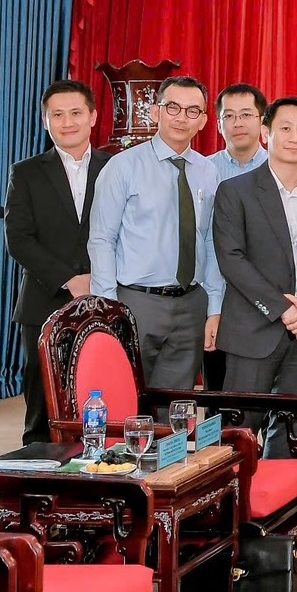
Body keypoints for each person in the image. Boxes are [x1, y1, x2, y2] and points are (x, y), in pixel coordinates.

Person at [212, 96, 297, 458]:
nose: (294, 137)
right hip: (252, 332)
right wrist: (284, 309)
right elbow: (232, 260)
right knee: (237, 436)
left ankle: (284, 495)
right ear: (266, 133)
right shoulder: (235, 191)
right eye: (285, 128)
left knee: (292, 434)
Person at [88, 75, 223, 389]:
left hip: (191, 304)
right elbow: (102, 239)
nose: (181, 117)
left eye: (192, 111)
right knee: (124, 395)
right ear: (155, 111)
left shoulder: (208, 171)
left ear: (203, 121)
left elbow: (210, 240)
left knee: (176, 403)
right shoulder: (123, 166)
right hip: (136, 302)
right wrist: (110, 309)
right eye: (172, 107)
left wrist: (214, 306)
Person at [5, 79, 113, 443]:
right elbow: (18, 239)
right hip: (44, 301)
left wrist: (99, 277)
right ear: (45, 121)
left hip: (106, 298)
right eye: (57, 115)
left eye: (76, 113)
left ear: (92, 116)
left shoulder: (116, 167)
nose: (67, 122)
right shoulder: (26, 172)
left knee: (101, 388)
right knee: (43, 398)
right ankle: (37, 464)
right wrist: (70, 279)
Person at [204, 82, 269, 391]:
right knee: (218, 388)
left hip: (267, 294)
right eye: (229, 116)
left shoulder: (278, 168)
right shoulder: (203, 171)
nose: (237, 123)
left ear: (262, 122)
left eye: (246, 115)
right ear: (218, 124)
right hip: (218, 293)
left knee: (264, 392)